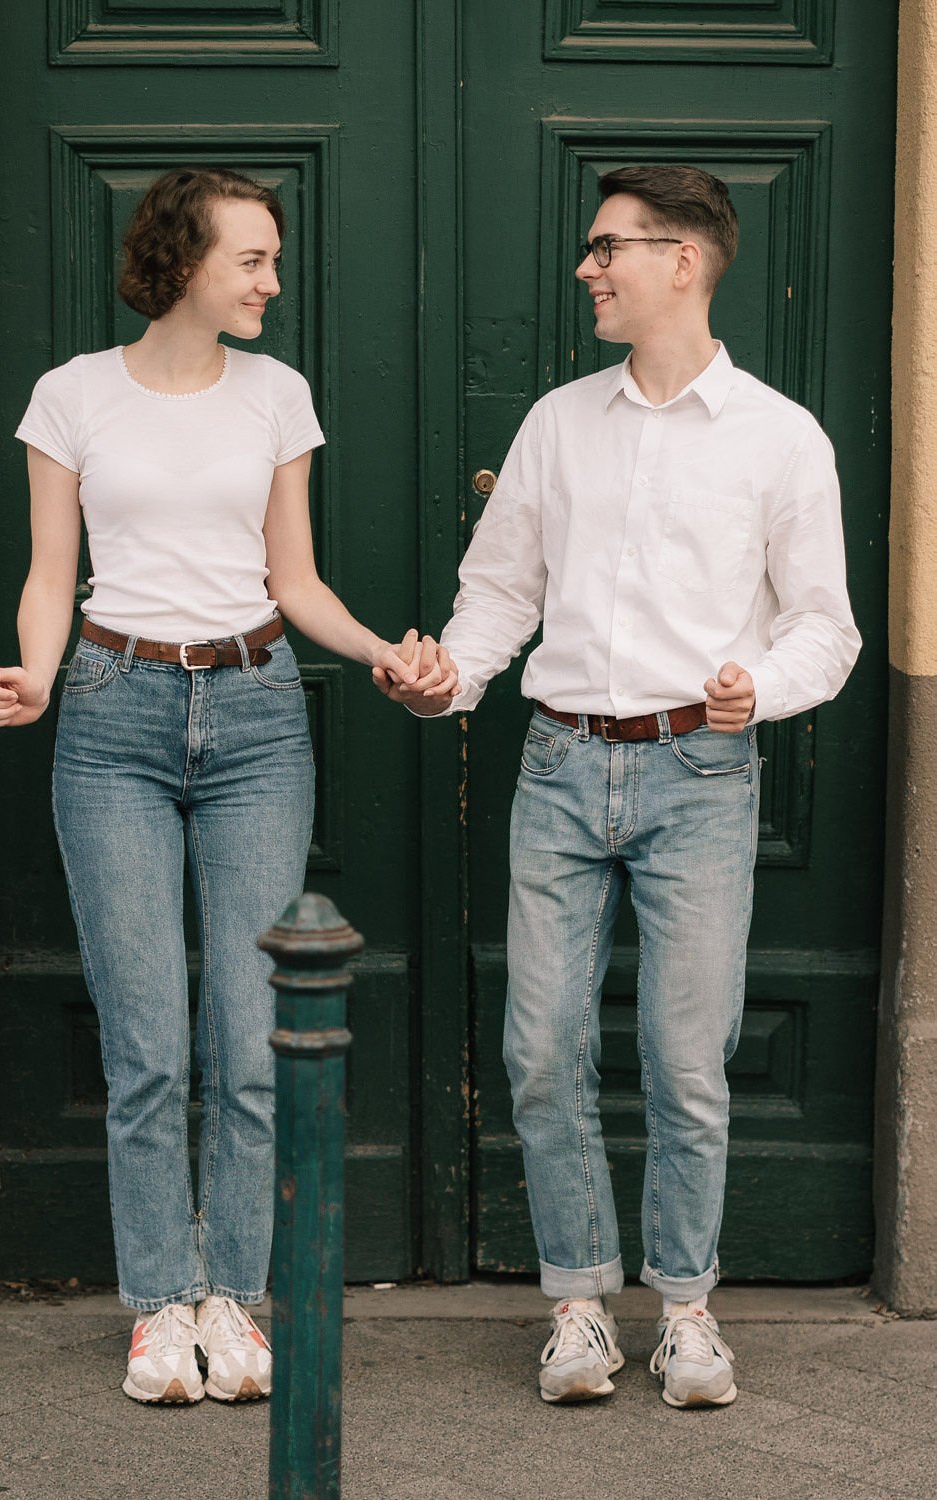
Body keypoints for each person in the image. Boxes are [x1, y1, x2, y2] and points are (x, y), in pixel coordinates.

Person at [376, 165, 861, 1408]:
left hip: (701, 768)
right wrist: (447, 680)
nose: (588, 269)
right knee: (541, 1051)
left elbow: (826, 626)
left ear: (682, 260)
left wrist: (761, 686)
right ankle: (580, 1308)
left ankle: (687, 1312)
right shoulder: (558, 423)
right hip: (558, 764)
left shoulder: (779, 437)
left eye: (608, 248)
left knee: (687, 1059)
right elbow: (500, 594)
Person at [0, 167, 443, 1406]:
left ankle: (232, 1296)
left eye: (272, 261)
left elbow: (295, 578)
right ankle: (157, 1307)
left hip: (254, 716)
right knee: (145, 1044)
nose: (270, 282)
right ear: (183, 260)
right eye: (252, 260)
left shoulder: (276, 394)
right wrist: (33, 678)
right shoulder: (72, 394)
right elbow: (50, 572)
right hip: (111, 713)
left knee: (249, 1041)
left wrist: (382, 651)